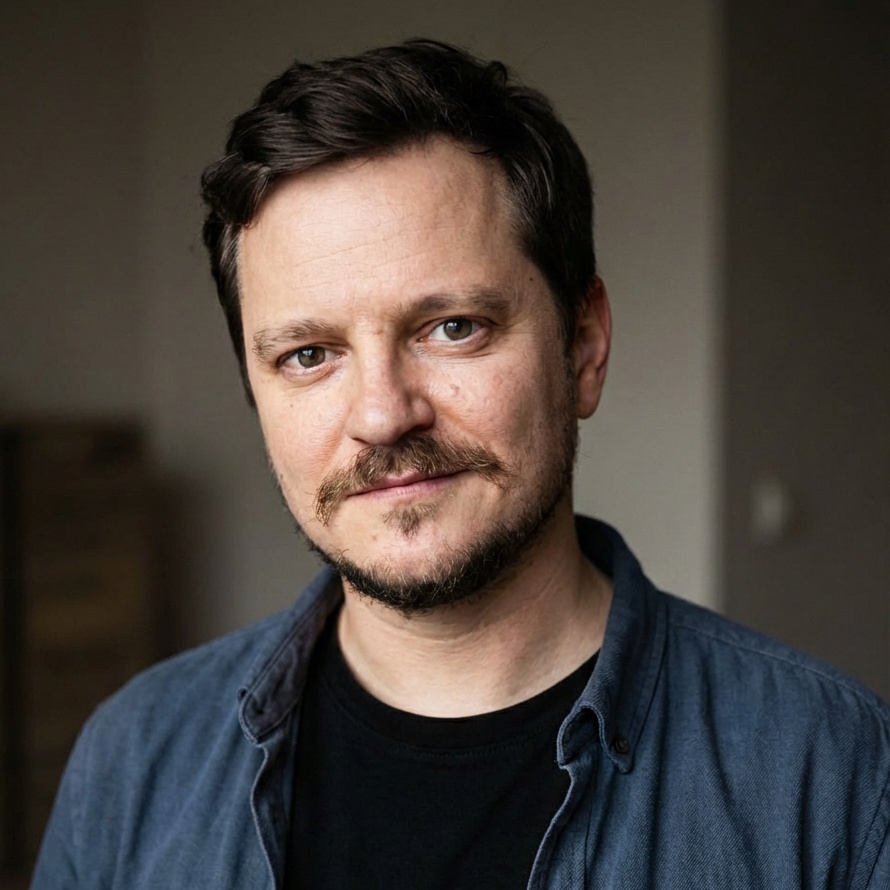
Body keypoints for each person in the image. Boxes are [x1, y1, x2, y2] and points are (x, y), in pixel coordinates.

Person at [32, 39, 890, 890]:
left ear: (584, 346)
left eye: (453, 328)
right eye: (308, 355)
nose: (382, 415)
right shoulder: (133, 760)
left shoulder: (835, 777)